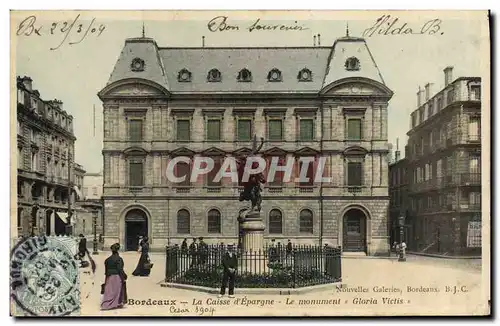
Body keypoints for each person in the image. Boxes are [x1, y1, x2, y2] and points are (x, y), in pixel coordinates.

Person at [101, 243, 127, 310]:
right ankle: (116, 303)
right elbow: (120, 269)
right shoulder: (119, 259)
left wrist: (106, 278)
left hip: (109, 276)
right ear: (118, 250)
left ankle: (106, 303)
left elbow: (106, 270)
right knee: (116, 291)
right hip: (116, 276)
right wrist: (124, 276)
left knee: (109, 291)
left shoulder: (107, 260)